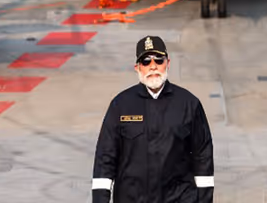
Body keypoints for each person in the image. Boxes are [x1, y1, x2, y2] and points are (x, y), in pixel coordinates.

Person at [92, 36, 214, 202]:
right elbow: (105, 158)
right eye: (146, 61)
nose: (153, 66)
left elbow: (203, 157)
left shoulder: (189, 104)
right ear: (137, 67)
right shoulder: (120, 106)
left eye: (158, 60)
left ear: (168, 63)